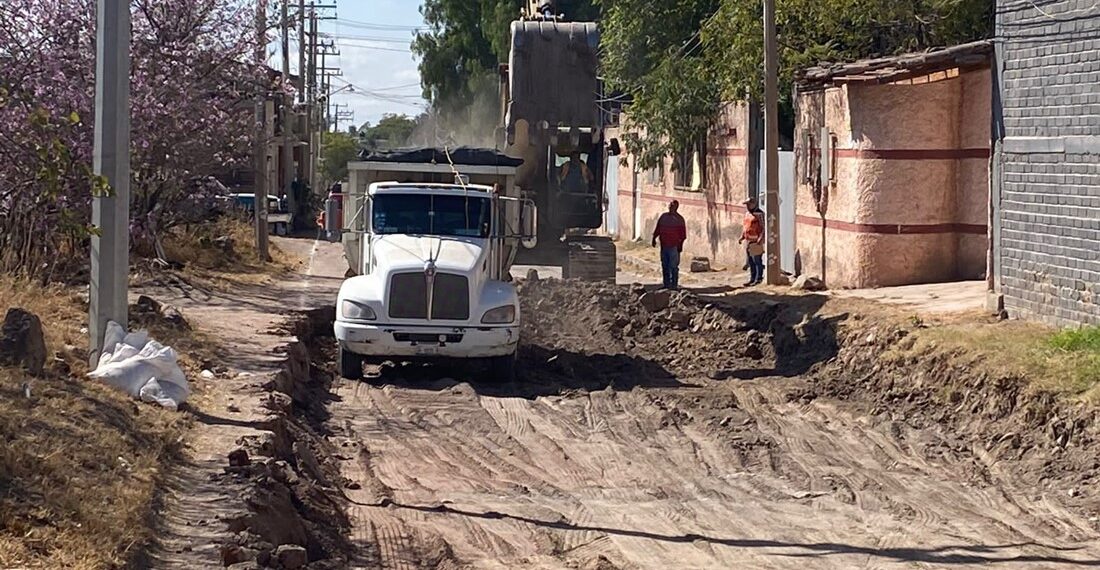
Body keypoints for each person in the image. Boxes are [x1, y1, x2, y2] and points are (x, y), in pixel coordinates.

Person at [652, 200, 687, 290]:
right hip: (664, 246)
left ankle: (674, 285)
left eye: (672, 205)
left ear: (676, 207)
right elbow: (658, 229)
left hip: (674, 246)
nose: (670, 207)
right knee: (665, 265)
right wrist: (654, 239)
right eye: (670, 205)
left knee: (673, 266)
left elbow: (683, 235)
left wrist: (680, 246)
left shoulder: (679, 219)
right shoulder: (663, 217)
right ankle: (666, 284)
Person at [739, 198, 765, 286]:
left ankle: (758, 278)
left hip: (756, 241)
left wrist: (760, 238)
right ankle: (752, 278)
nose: (747, 206)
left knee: (757, 260)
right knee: (751, 261)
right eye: (746, 204)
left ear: (754, 204)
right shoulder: (747, 214)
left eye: (749, 204)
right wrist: (742, 237)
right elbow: (746, 226)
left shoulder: (759, 214)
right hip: (748, 241)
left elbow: (763, 227)